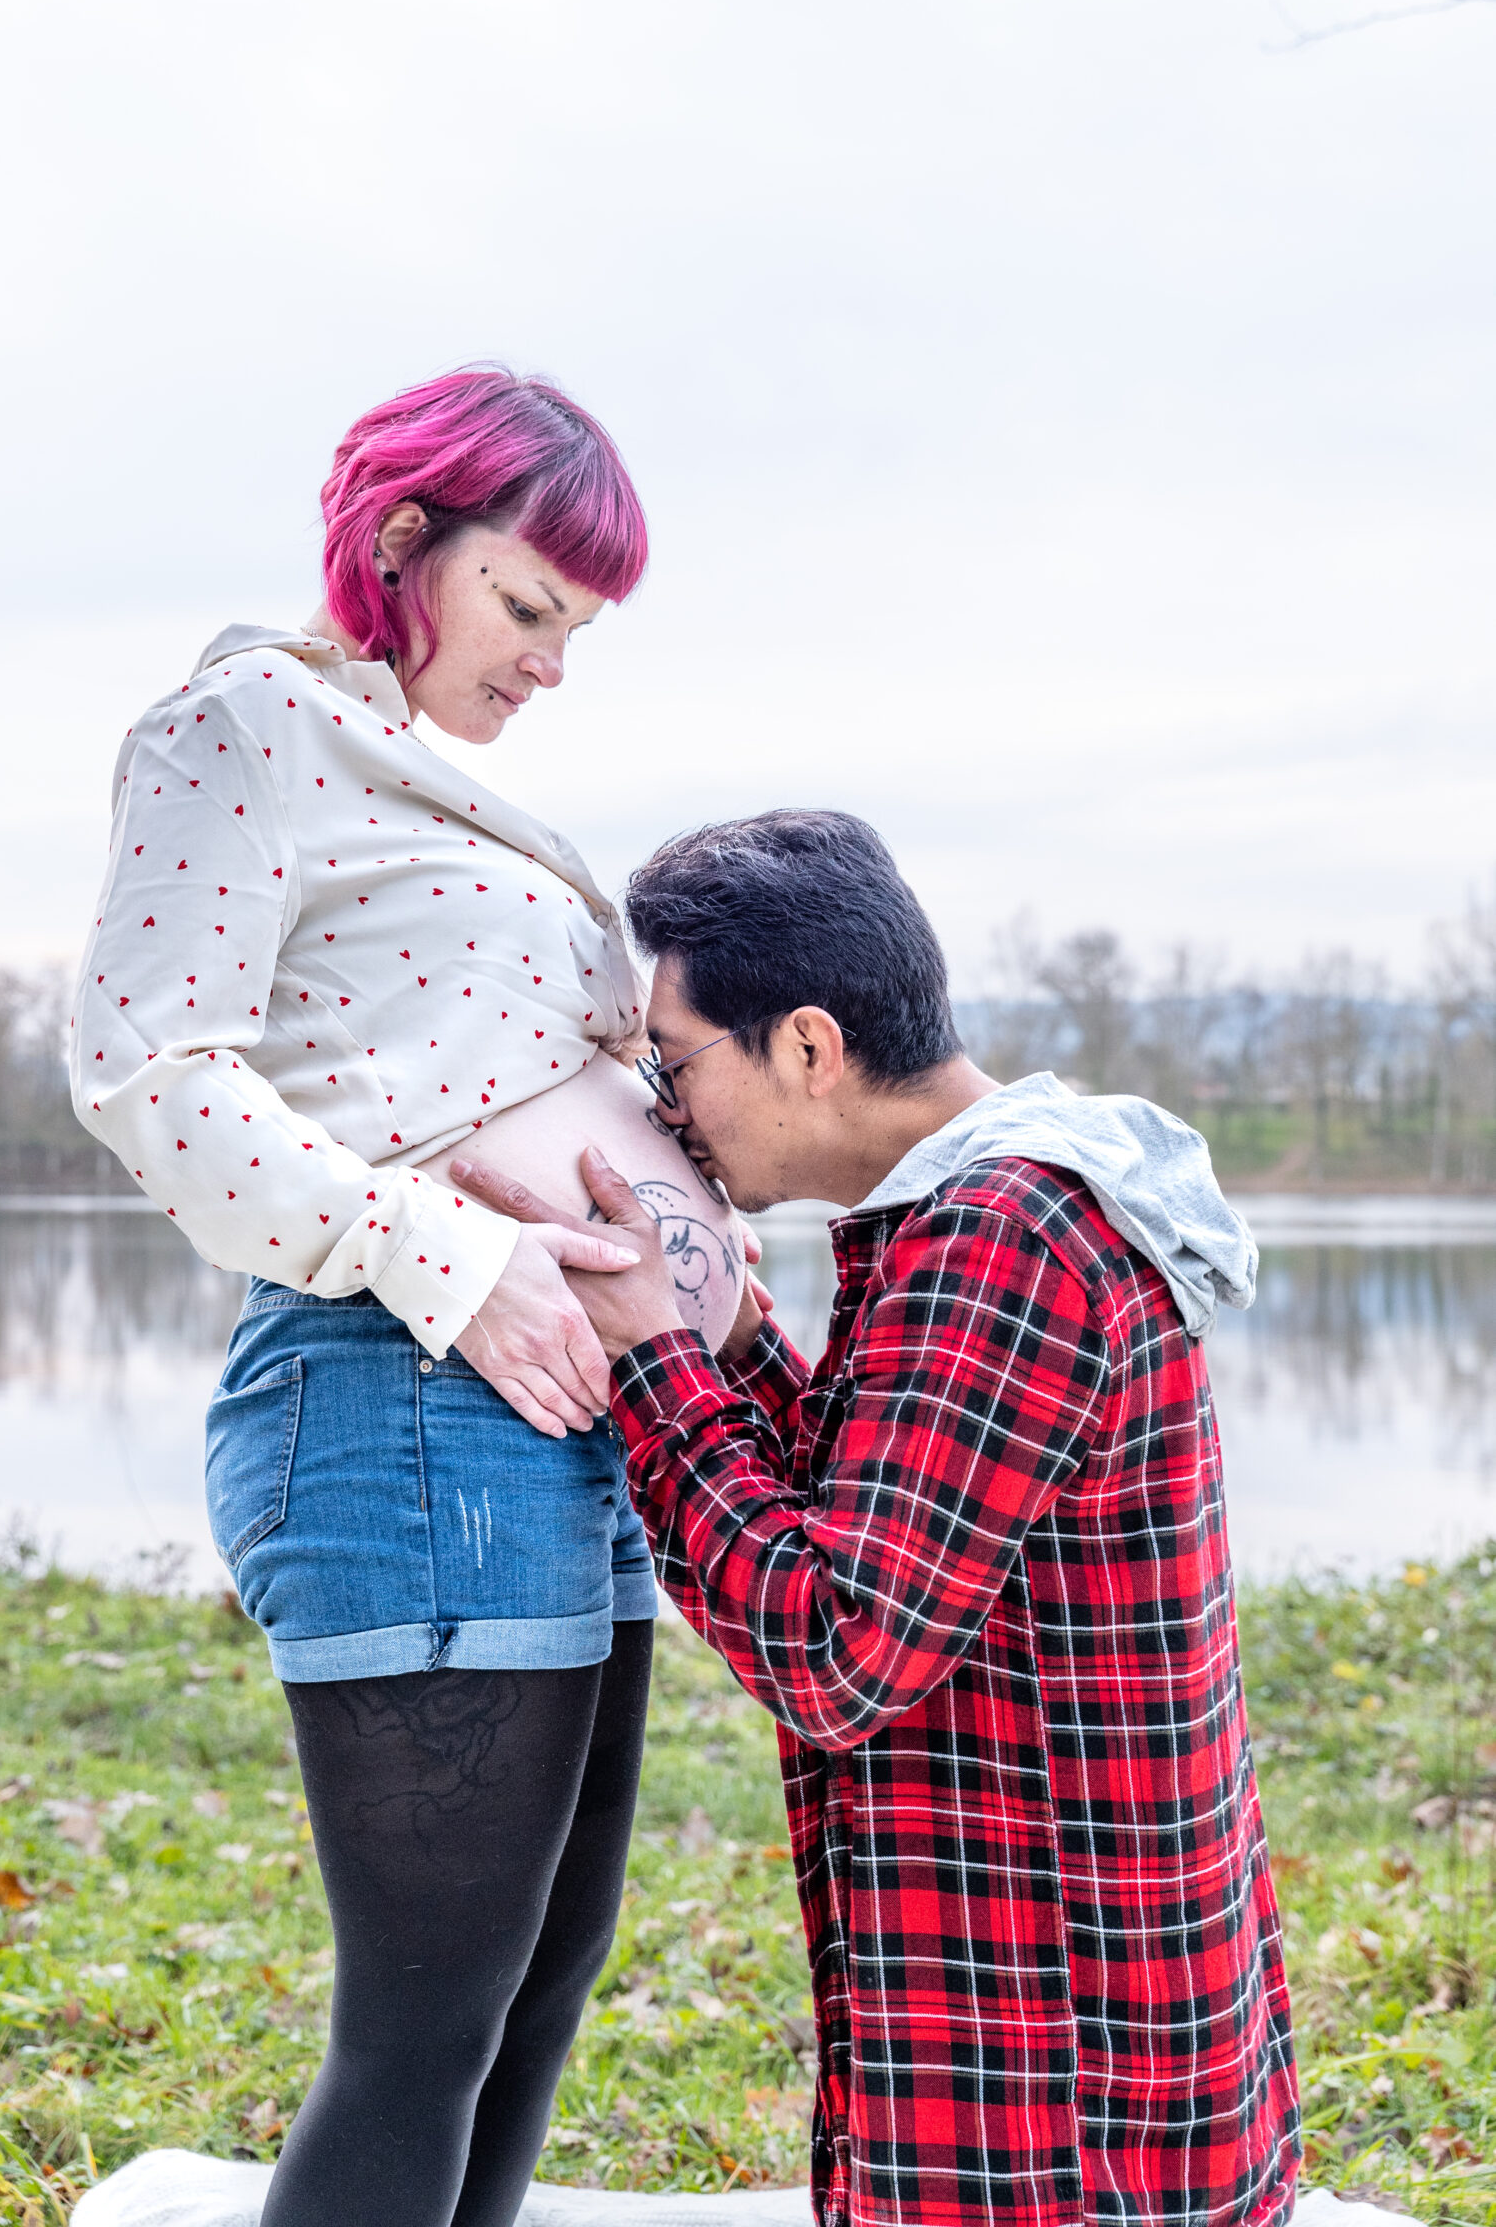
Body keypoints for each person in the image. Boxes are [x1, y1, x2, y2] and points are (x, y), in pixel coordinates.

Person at [67, 368, 743, 2227]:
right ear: (397, 543)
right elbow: (151, 1077)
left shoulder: (437, 789)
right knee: (429, 2024)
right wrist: (447, 1251)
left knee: (534, 1992)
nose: (549, 667)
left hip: (548, 1413)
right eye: (529, 607)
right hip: (403, 1388)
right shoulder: (246, 726)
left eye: (578, 633)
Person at [453, 809, 1303, 2227]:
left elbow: (840, 1647)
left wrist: (655, 1362)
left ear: (802, 1044)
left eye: (675, 1064)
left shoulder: (1001, 1237)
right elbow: (908, 1522)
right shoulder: (985, 1214)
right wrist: (723, 1337)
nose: (668, 1112)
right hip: (1070, 2026)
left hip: (1055, 2082)